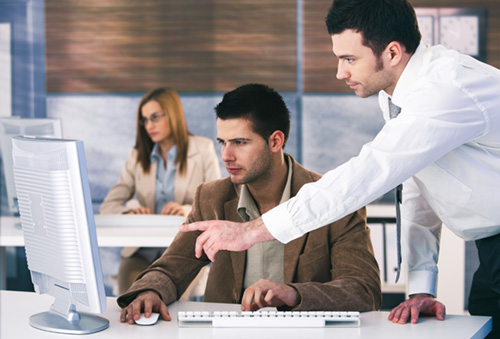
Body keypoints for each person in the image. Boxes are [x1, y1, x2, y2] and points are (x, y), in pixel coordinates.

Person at [180, 0, 500, 336]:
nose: (340, 72)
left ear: (392, 53)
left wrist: (251, 231)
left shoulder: (445, 90)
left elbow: (369, 172)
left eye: (349, 59)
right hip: (490, 249)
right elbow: (416, 181)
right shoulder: (396, 95)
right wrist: (422, 285)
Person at [117, 83, 381, 324]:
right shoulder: (211, 198)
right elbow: (171, 268)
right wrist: (150, 291)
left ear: (275, 141)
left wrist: (293, 294)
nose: (226, 155)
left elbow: (364, 290)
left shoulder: (333, 199)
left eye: (240, 143)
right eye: (223, 142)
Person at [99, 87, 221, 295]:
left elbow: (217, 204)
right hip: (141, 251)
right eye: (144, 120)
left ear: (172, 115)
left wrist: (184, 210)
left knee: (168, 301)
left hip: (185, 252)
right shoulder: (138, 156)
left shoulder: (202, 149)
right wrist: (130, 213)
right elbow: (108, 206)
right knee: (130, 299)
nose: (149, 125)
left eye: (155, 117)